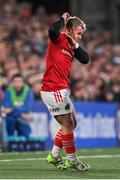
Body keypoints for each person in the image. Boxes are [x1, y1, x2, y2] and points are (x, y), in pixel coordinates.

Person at [41, 12, 90, 171]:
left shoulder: (71, 45)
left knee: (72, 124)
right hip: (53, 88)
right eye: (79, 33)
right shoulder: (58, 38)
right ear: (69, 30)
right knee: (67, 124)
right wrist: (63, 19)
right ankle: (72, 160)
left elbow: (85, 59)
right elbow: (52, 31)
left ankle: (54, 155)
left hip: (62, 89)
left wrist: (75, 44)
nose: (80, 37)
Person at [2, 74, 34, 139]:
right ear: (12, 83)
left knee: (24, 127)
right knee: (10, 121)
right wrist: (20, 113)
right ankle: (9, 143)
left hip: (21, 116)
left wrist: (13, 109)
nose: (17, 84)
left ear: (23, 83)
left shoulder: (28, 91)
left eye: (19, 82)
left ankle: (25, 142)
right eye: (15, 82)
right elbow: (6, 107)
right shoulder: (8, 91)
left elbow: (27, 107)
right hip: (16, 116)